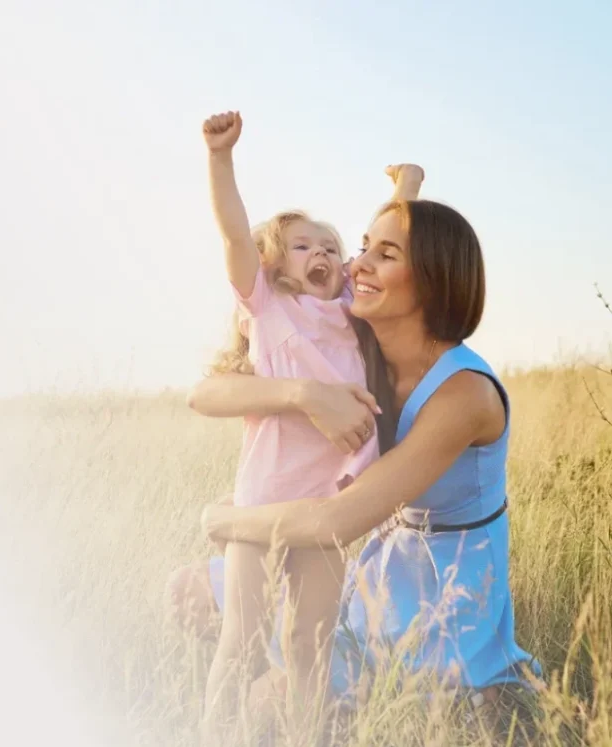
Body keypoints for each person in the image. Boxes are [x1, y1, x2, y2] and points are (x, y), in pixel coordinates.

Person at [170, 193, 541, 727]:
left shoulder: (465, 394)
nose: (356, 262)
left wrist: (225, 519)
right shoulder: (364, 343)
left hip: (443, 597)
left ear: (433, 278)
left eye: (383, 254)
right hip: (384, 570)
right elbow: (204, 394)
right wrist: (302, 394)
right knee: (188, 591)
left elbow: (334, 522)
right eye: (361, 247)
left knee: (270, 707)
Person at [197, 111, 423, 738]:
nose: (322, 253)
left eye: (329, 245)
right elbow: (235, 236)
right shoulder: (268, 308)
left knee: (308, 645)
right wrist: (220, 160)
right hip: (264, 498)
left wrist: (406, 189)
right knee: (243, 641)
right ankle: (215, 732)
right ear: (274, 267)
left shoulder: (351, 311)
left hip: (327, 503)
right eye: (303, 246)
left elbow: (384, 249)